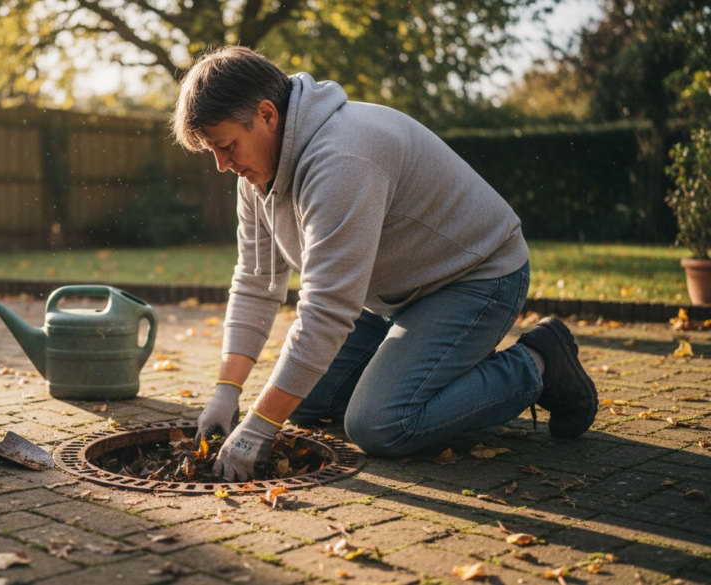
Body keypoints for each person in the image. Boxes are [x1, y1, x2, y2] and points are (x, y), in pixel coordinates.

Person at [171, 46, 598, 482]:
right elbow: (256, 282)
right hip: (395, 296)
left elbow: (326, 311)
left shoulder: (342, 159)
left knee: (379, 424)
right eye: (212, 151)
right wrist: (227, 392)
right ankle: (442, 364)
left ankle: (539, 362)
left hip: (478, 277)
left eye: (226, 146)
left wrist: (258, 427)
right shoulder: (256, 175)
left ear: (267, 115)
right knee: (307, 400)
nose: (222, 165)